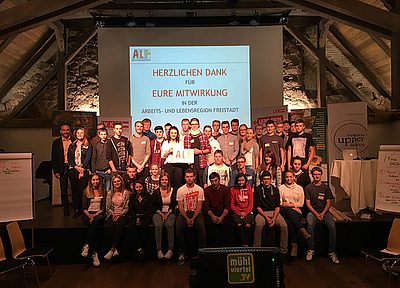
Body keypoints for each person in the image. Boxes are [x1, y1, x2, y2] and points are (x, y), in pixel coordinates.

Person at [253, 171, 290, 265]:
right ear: (262, 180)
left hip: (274, 212)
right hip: (262, 213)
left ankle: (283, 252)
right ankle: (256, 250)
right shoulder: (258, 190)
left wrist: (274, 218)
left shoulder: (275, 189)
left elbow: (277, 206)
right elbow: (257, 207)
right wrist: (266, 218)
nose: (266, 181)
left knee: (284, 226)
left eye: (268, 179)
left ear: (270, 180)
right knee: (259, 225)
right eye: (264, 179)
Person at [305, 167, 339, 264]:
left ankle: (332, 252)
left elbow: (328, 203)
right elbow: (308, 203)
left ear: (321, 175)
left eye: (318, 174)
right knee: (310, 224)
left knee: (332, 226)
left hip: (324, 211)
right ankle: (311, 249)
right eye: (315, 174)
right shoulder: (308, 188)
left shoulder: (325, 187)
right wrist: (316, 214)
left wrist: (323, 214)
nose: (317, 176)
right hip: (313, 212)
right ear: (312, 175)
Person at [176, 169, 207, 265]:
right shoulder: (180, 190)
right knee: (178, 227)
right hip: (184, 213)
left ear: (194, 177)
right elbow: (180, 207)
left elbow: (199, 206)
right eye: (187, 177)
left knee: (201, 227)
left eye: (191, 176)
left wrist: (193, 219)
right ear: (185, 178)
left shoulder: (200, 189)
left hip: (196, 213)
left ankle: (203, 253)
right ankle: (182, 253)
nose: (189, 179)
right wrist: (187, 219)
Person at [279, 171, 311, 258]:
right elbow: (280, 203)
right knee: (289, 212)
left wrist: (289, 205)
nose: (288, 179)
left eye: (290, 177)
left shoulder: (299, 188)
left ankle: (294, 246)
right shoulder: (281, 187)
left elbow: (301, 203)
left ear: (294, 177)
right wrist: (293, 206)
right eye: (287, 177)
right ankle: (302, 230)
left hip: (297, 212)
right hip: (285, 211)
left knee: (289, 222)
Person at [81, 173, 106, 267]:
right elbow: (83, 207)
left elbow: (103, 208)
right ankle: (94, 253)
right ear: (90, 181)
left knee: (97, 220)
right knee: (97, 226)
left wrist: (94, 215)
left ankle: (87, 245)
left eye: (97, 180)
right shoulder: (85, 191)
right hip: (88, 214)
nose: (95, 182)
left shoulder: (103, 191)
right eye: (93, 180)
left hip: (98, 213)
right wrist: (90, 215)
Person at [68, 127, 92, 219]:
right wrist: (76, 168)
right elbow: (70, 158)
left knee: (82, 191)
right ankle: (76, 209)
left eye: (81, 133)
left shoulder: (88, 145)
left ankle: (83, 210)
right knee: (74, 191)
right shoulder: (72, 145)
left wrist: (82, 169)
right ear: (76, 134)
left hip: (84, 170)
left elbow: (88, 158)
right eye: (78, 133)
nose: (80, 134)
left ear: (84, 134)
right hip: (73, 170)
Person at [51, 124, 75, 216]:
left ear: (70, 131)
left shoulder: (74, 141)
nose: (66, 132)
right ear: (60, 131)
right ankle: (66, 208)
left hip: (72, 167)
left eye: (67, 130)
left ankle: (77, 208)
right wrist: (56, 171)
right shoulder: (56, 142)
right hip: (62, 168)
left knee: (74, 188)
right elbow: (53, 158)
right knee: (63, 189)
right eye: (64, 130)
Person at [104, 175, 129, 260]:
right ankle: (115, 249)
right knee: (110, 226)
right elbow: (108, 207)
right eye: (115, 182)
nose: (117, 183)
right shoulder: (109, 193)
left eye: (118, 181)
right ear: (112, 183)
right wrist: (113, 214)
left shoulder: (126, 193)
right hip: (112, 214)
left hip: (123, 215)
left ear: (121, 182)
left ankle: (112, 249)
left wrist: (120, 215)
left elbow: (126, 207)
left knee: (119, 226)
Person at [152, 172, 177, 260]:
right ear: (160, 181)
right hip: (158, 213)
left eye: (166, 180)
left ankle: (171, 249)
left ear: (168, 181)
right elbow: (155, 206)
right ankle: (159, 250)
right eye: (162, 180)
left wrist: (167, 215)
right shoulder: (156, 192)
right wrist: (162, 215)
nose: (164, 181)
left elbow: (173, 205)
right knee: (158, 225)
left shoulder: (173, 191)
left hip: (170, 213)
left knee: (169, 225)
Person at [204, 172, 231, 247]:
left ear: (219, 180)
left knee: (226, 224)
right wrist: (212, 216)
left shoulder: (225, 189)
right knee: (209, 224)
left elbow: (228, 205)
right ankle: (211, 246)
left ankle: (224, 247)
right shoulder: (207, 190)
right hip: (211, 211)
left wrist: (221, 217)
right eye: (212, 181)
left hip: (223, 211)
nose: (214, 183)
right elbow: (206, 206)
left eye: (215, 180)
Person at [128, 179, 153, 260]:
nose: (139, 189)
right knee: (132, 226)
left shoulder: (148, 196)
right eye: (137, 187)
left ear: (143, 187)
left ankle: (140, 248)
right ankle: (139, 248)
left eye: (140, 187)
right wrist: (136, 218)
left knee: (144, 226)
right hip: (135, 216)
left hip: (145, 216)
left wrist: (140, 218)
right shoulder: (132, 197)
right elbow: (131, 210)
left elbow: (149, 210)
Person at [183, 118, 211, 187]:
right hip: (191, 166)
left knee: (202, 185)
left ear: (198, 125)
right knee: (192, 186)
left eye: (195, 124)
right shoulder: (187, 137)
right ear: (190, 125)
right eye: (192, 124)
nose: (194, 126)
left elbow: (208, 149)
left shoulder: (204, 136)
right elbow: (185, 151)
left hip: (202, 165)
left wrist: (200, 151)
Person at [230, 173, 253, 247]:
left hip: (247, 211)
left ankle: (247, 243)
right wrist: (238, 213)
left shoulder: (249, 188)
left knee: (247, 224)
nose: (241, 182)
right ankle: (244, 244)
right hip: (236, 211)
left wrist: (245, 213)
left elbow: (251, 203)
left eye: (242, 180)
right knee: (239, 224)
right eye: (239, 180)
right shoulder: (233, 189)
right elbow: (232, 204)